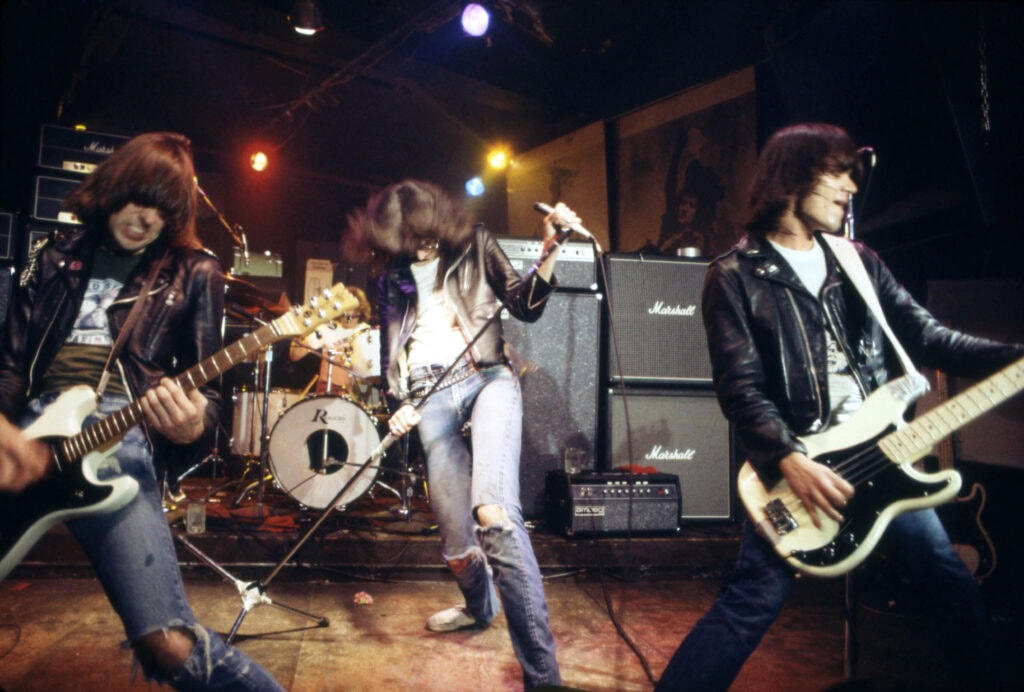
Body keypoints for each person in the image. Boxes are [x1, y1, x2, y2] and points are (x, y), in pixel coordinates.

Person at [656, 123, 1023, 691]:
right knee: (754, 599)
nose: (851, 185)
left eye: (852, 173)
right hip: (804, 462)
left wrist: (1014, 357)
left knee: (947, 577)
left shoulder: (858, 260)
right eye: (836, 172)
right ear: (791, 178)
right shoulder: (733, 275)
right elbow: (741, 388)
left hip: (883, 451)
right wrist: (789, 460)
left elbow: (929, 338)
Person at [0, 132, 284, 691]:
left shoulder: (195, 270)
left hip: (115, 435)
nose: (146, 218)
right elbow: (9, 366)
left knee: (165, 644)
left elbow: (210, 407)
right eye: (138, 198)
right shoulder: (52, 256)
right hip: (25, 431)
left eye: (163, 208)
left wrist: (191, 424)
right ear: (113, 189)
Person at [345, 179, 579, 689]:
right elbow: (390, 358)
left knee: (493, 512)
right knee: (455, 544)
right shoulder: (392, 278)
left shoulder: (474, 243)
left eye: (425, 234)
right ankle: (479, 609)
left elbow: (526, 305)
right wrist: (399, 405)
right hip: (430, 396)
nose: (421, 246)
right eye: (408, 238)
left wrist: (549, 251)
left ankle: (545, 678)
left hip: (487, 378)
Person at [288, 285, 378, 397]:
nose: (348, 320)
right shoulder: (327, 328)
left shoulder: (368, 332)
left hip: (360, 390)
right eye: (344, 315)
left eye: (353, 316)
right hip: (328, 389)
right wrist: (299, 330)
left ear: (361, 312)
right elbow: (295, 356)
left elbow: (374, 370)